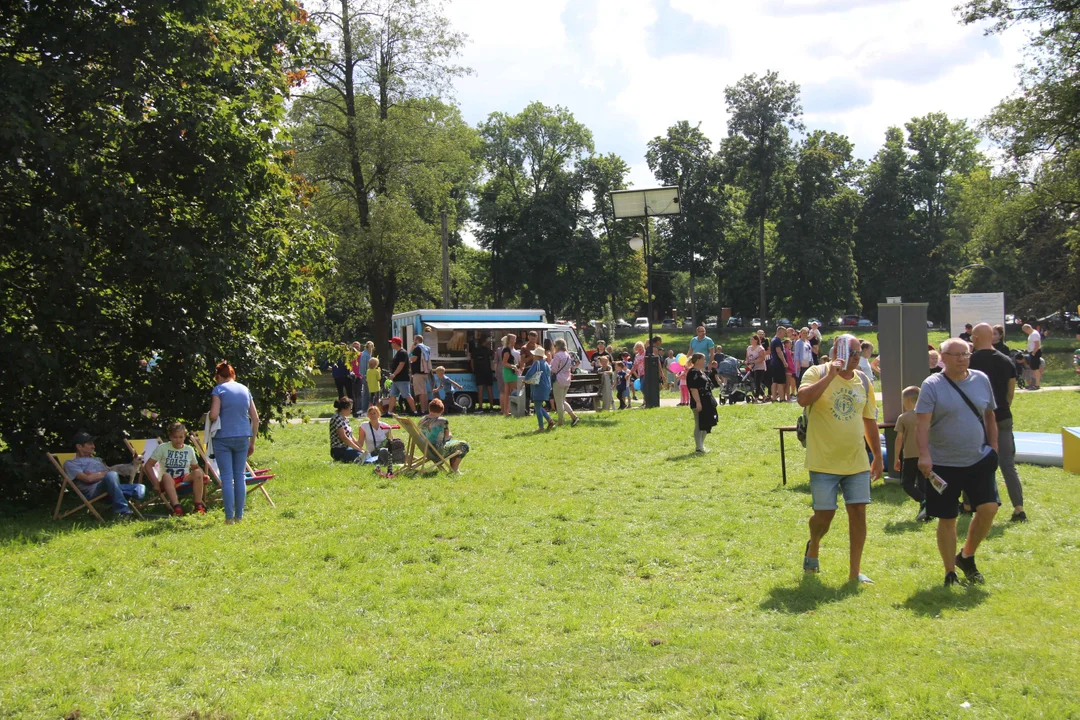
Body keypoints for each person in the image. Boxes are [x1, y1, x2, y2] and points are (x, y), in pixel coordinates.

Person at [797, 334, 882, 584]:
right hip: (823, 460)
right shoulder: (816, 372)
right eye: (851, 352)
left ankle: (855, 573)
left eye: (859, 353)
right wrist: (830, 376)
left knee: (858, 513)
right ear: (836, 350)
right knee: (824, 516)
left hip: (856, 460)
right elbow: (802, 399)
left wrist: (877, 456)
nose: (856, 358)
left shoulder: (864, 381)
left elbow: (869, 421)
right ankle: (814, 544)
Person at [916, 338, 999, 586]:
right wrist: (924, 455)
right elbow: (922, 424)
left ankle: (967, 555)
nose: (962, 358)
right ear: (943, 357)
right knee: (948, 518)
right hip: (943, 463)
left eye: (966, 354)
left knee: (989, 508)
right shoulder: (932, 385)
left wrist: (994, 447)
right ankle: (949, 571)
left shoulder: (981, 379)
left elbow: (990, 415)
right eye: (956, 355)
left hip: (979, 458)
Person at [969, 323, 1026, 522]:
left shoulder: (969, 361)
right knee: (1007, 464)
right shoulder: (1007, 361)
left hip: (977, 420)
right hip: (1002, 416)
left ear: (975, 339)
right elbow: (1010, 394)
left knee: (972, 462)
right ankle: (1019, 508)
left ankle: (969, 504)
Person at [208, 361, 259, 525]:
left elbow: (214, 415)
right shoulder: (245, 389)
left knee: (227, 477)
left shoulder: (219, 390)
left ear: (218, 376)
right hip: (243, 436)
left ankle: (229, 517)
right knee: (240, 477)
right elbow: (255, 418)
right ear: (233, 375)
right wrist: (252, 442)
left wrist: (207, 417)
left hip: (223, 438)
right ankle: (240, 516)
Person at [64, 430, 145, 519]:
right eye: (90, 444)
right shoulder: (70, 463)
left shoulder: (97, 459)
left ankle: (117, 504)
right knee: (112, 475)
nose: (93, 446)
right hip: (94, 490)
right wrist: (102, 474)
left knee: (140, 487)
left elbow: (109, 473)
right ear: (79, 447)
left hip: (110, 486)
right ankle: (122, 512)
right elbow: (88, 479)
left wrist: (97, 474)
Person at [144, 422, 206, 516]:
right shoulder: (163, 448)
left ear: (184, 437)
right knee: (166, 476)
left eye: (181, 437)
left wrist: (204, 476)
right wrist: (156, 483)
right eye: (175, 437)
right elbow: (147, 466)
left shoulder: (189, 449)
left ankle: (198, 506)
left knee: (198, 473)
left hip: (184, 479)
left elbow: (195, 467)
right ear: (170, 437)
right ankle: (177, 507)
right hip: (169, 481)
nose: (178, 440)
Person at [892, 387, 928, 522]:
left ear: (907, 400)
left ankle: (924, 501)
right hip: (926, 455)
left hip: (910, 456)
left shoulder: (903, 417)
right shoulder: (926, 415)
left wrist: (896, 458)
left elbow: (899, 439)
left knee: (906, 483)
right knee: (923, 484)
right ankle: (925, 511)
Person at [418, 398, 469, 471]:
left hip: (427, 450)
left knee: (453, 444)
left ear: (429, 409)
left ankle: (453, 469)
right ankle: (454, 469)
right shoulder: (442, 421)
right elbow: (447, 438)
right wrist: (450, 435)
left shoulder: (422, 420)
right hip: (438, 451)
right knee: (464, 445)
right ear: (442, 410)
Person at [686, 353, 718, 453]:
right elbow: (693, 389)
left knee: (706, 423)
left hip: (707, 400)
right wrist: (698, 402)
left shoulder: (701, 372)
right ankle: (698, 447)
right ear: (698, 360)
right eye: (703, 359)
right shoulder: (693, 372)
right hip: (699, 401)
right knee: (699, 423)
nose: (705, 361)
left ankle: (701, 446)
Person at [522, 347, 554, 432]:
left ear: (536, 356)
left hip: (539, 387)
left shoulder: (537, 363)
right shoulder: (546, 363)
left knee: (537, 407)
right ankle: (550, 420)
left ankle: (541, 427)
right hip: (546, 387)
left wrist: (525, 380)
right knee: (538, 406)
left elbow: (530, 372)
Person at [550, 339, 580, 427]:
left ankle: (560, 421)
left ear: (557, 346)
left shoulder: (557, 356)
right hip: (567, 380)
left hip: (558, 380)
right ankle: (574, 417)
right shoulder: (567, 355)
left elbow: (554, 369)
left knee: (559, 402)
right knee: (562, 401)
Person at [383, 337, 416, 416]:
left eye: (392, 342)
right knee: (392, 395)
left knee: (407, 395)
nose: (391, 344)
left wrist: (394, 374)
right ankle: (390, 412)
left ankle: (415, 411)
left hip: (402, 379)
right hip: (396, 379)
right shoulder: (398, 353)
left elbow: (401, 365)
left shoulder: (402, 352)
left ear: (396, 343)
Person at [329, 397, 367, 463]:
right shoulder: (337, 418)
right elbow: (344, 438)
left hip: (346, 448)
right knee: (361, 457)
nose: (351, 411)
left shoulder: (345, 419)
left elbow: (350, 436)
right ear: (344, 408)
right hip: (338, 450)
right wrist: (358, 449)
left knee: (364, 455)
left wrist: (359, 447)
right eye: (350, 409)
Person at [470, 335, 495, 412]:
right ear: (484, 342)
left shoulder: (475, 350)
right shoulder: (488, 350)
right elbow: (494, 357)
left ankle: (480, 407)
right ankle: (491, 407)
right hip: (487, 371)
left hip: (479, 372)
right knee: (489, 390)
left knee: (480, 390)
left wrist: (474, 370)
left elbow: (472, 361)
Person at [410, 335, 431, 414]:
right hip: (424, 372)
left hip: (418, 373)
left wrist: (410, 357)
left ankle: (422, 410)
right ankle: (425, 409)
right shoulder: (426, 348)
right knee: (424, 392)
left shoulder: (417, 348)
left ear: (416, 340)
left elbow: (414, 358)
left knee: (420, 392)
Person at [500, 333, 519, 417]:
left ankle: (506, 411)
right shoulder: (507, 350)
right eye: (513, 339)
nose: (515, 341)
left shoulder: (506, 349)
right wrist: (514, 367)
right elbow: (504, 362)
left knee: (507, 392)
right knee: (515, 390)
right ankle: (513, 409)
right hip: (509, 372)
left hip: (507, 371)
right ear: (510, 340)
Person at [746, 335, 767, 402]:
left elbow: (762, 358)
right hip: (751, 367)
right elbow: (747, 357)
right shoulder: (749, 348)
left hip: (760, 367)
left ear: (756, 340)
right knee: (755, 382)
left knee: (757, 382)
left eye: (752, 339)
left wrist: (754, 361)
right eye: (750, 339)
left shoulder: (760, 348)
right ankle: (763, 396)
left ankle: (756, 398)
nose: (751, 340)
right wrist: (747, 362)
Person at [770, 326, 789, 402]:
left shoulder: (773, 340)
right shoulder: (777, 340)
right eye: (784, 333)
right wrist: (784, 362)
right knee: (780, 382)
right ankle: (782, 398)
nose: (784, 335)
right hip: (778, 363)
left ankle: (774, 398)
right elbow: (779, 351)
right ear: (780, 332)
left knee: (775, 381)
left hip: (774, 363)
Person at [1022, 324, 1042, 390]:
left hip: (1035, 353)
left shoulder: (1034, 334)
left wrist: (1033, 353)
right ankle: (1033, 384)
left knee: (1036, 369)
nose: (1026, 332)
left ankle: (1037, 384)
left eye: (1025, 331)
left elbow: (1037, 344)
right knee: (1033, 369)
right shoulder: (1032, 334)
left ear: (1028, 328)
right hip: (1032, 352)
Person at [349, 342, 365, 415]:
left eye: (357, 347)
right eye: (354, 347)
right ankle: (353, 409)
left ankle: (359, 408)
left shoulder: (362, 355)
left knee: (359, 393)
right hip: (351, 376)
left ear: (359, 348)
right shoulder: (350, 356)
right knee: (352, 393)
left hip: (360, 376)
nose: (356, 349)